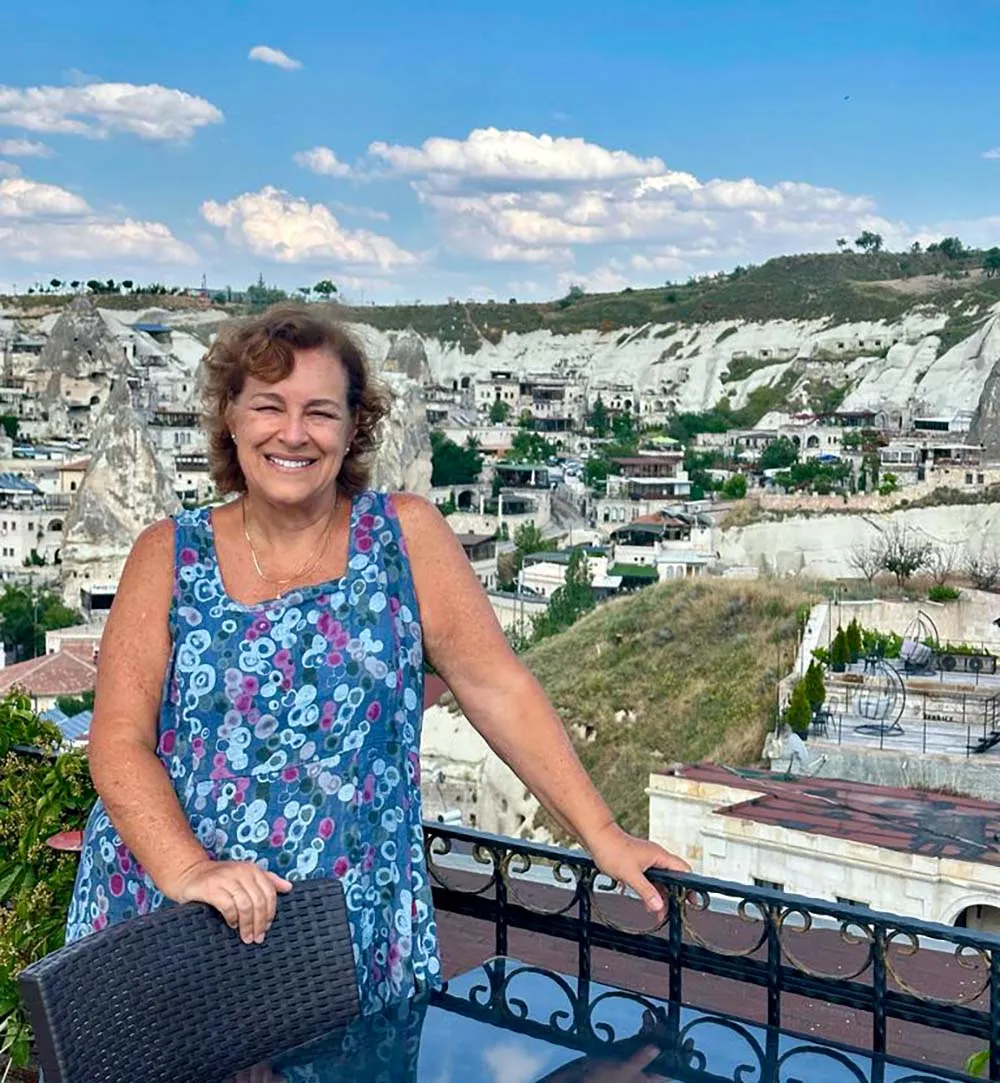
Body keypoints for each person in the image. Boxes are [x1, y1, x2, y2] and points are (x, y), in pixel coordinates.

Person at [65, 305, 688, 1015]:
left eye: (320, 412)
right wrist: (190, 868)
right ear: (230, 417)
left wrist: (601, 835)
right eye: (268, 406)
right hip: (175, 912)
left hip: (345, 927)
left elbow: (497, 687)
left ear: (355, 425)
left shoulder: (405, 536)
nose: (293, 433)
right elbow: (118, 741)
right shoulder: (166, 553)